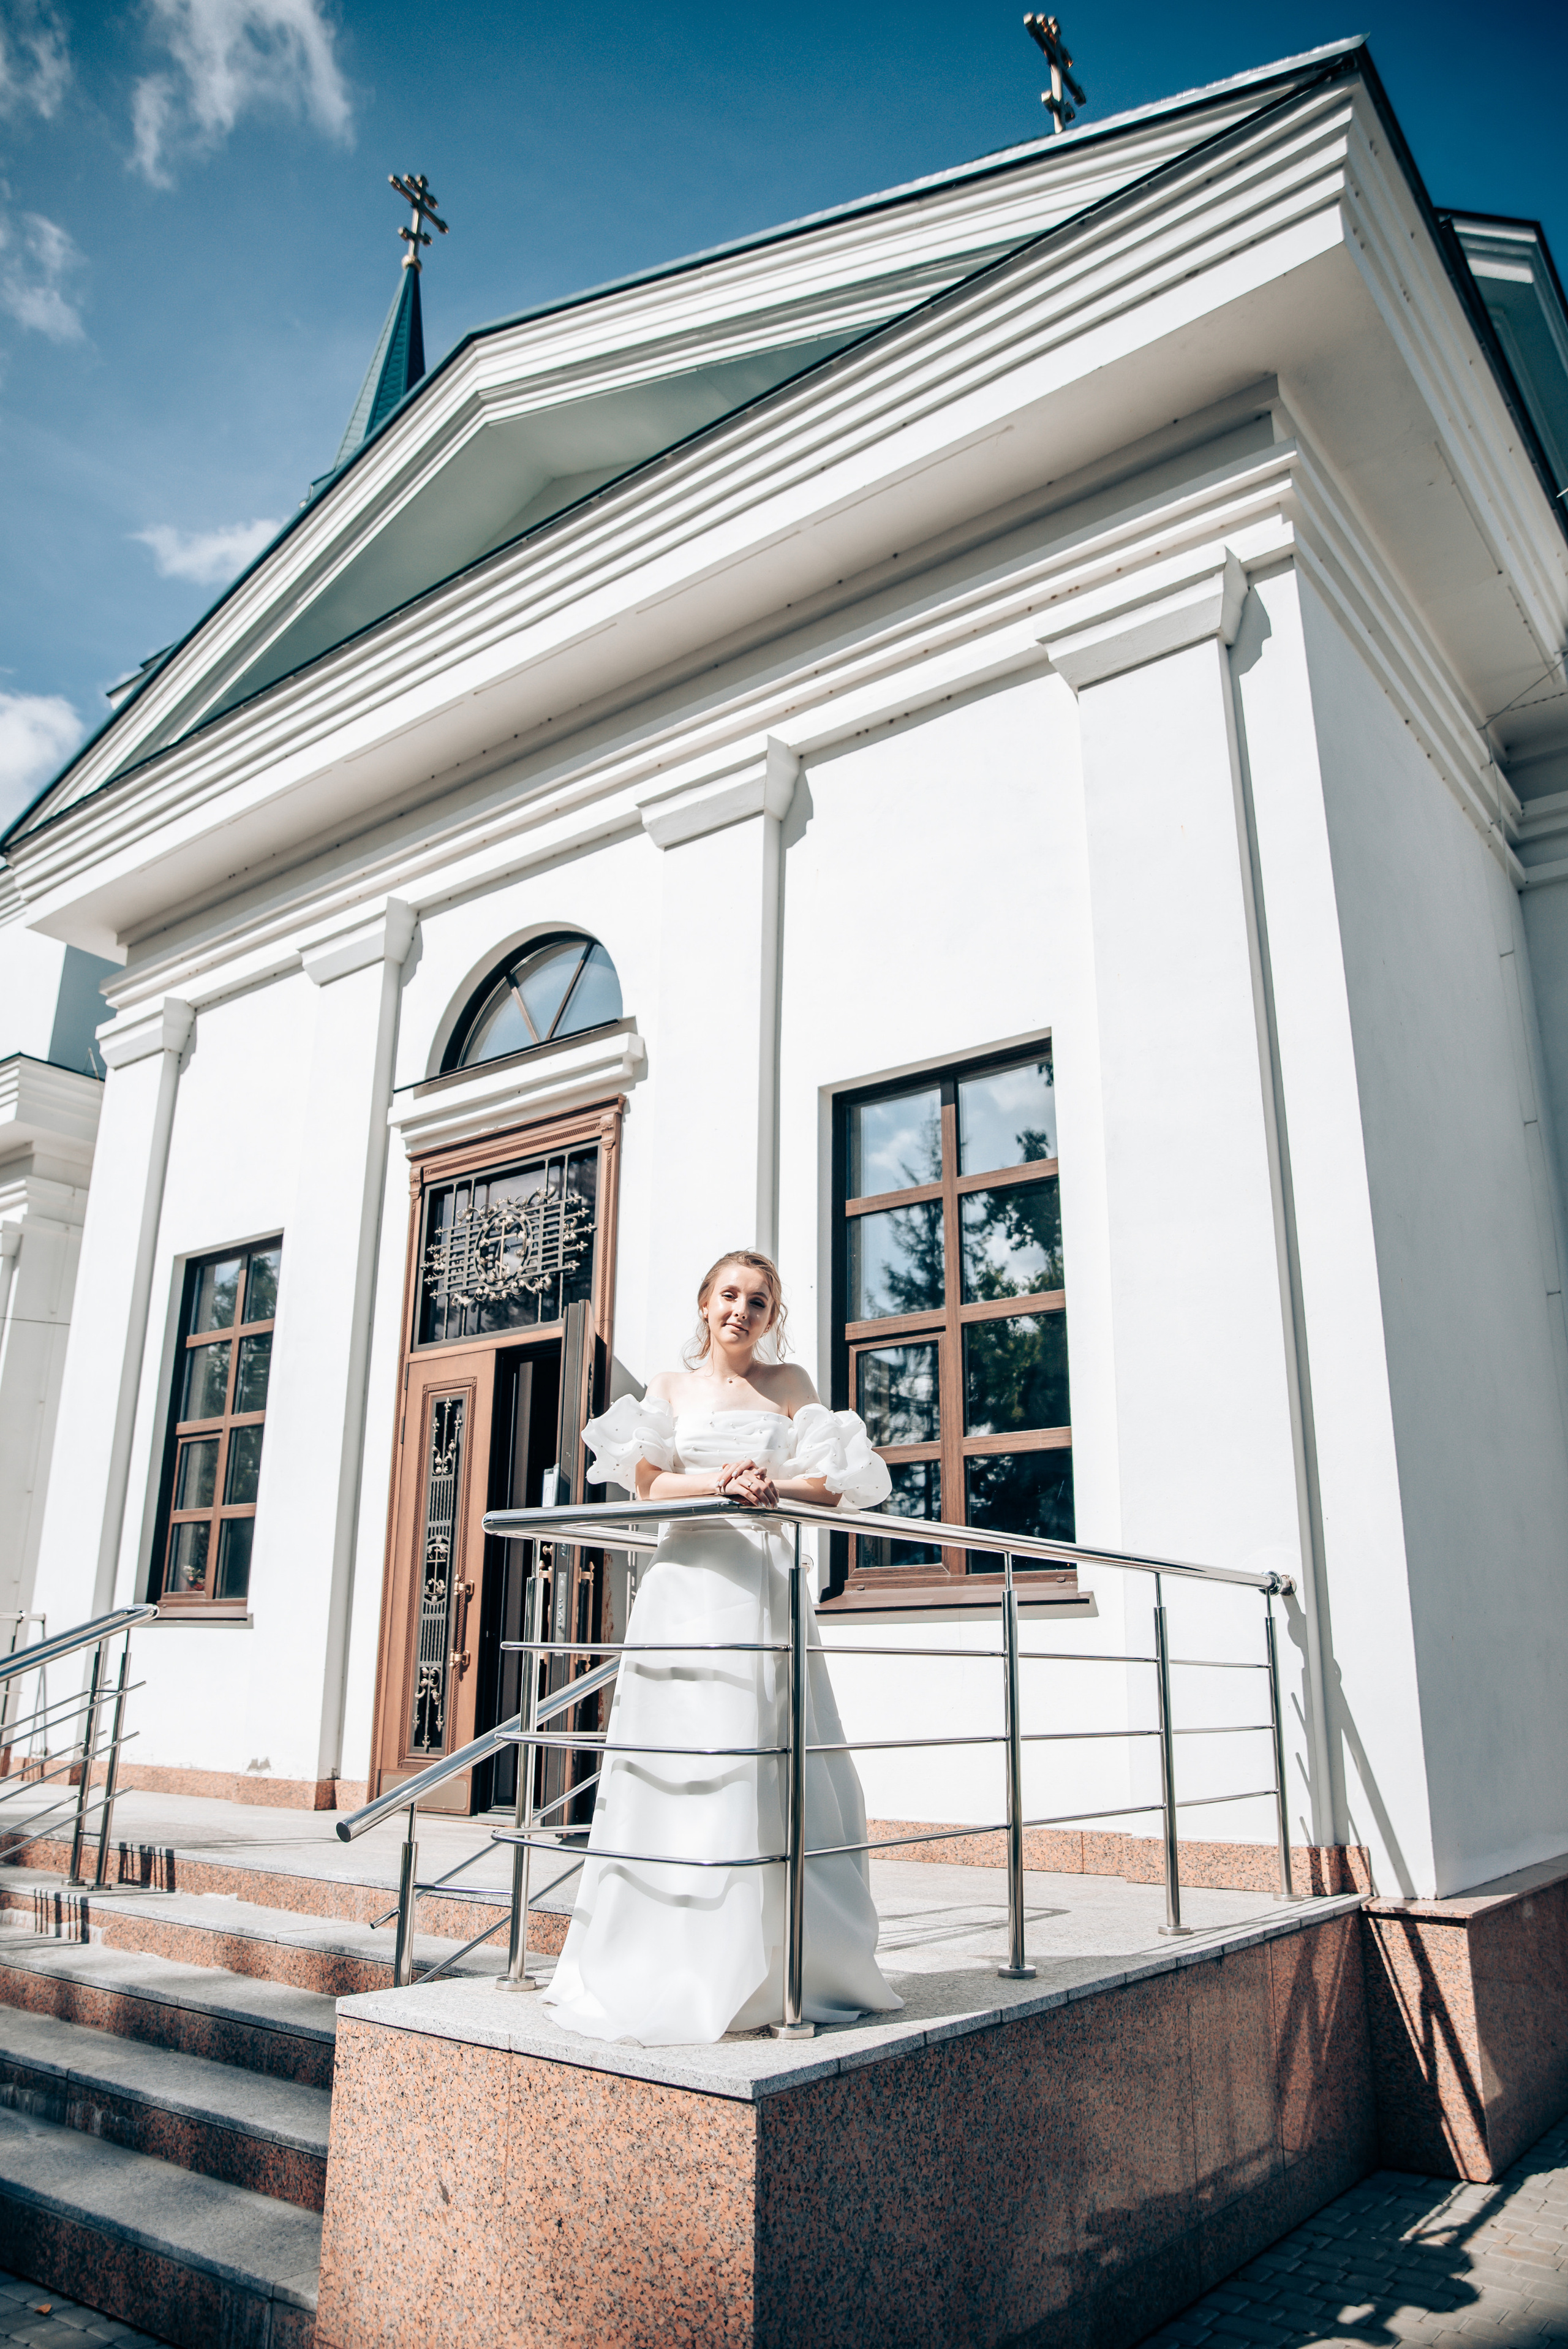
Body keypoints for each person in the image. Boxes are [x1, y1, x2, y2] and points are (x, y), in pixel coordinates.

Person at [540, 1249, 905, 2046]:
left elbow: (833, 1483)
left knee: (767, 1755)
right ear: (704, 1302)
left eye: (761, 1300)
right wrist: (719, 1487)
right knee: (684, 1759)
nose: (743, 1309)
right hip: (686, 1587)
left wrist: (772, 1487)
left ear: (773, 1317)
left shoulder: (792, 1386)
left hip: (765, 1583)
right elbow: (645, 1483)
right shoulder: (668, 1391)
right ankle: (672, 1961)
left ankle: (780, 1966)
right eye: (730, 1294)